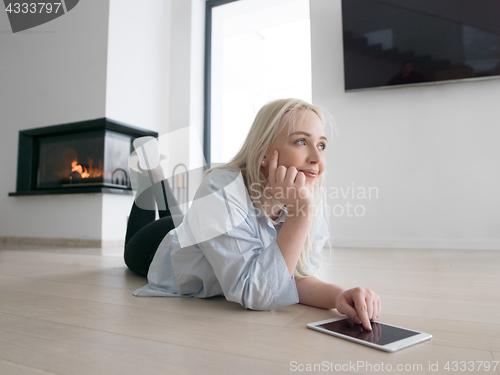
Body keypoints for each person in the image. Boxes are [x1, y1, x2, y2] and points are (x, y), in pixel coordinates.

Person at [125, 98, 381, 331]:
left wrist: (339, 295)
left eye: (322, 145)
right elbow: (254, 293)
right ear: (263, 154)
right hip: (156, 246)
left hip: (203, 230)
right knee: (146, 221)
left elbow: (289, 277)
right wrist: (301, 214)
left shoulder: (305, 193)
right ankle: (148, 174)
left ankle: (156, 173)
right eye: (302, 141)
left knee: (185, 217)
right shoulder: (220, 189)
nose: (317, 158)